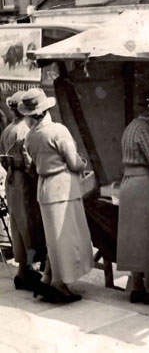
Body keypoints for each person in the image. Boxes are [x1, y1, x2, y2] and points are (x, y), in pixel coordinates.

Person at [20, 87, 93, 303]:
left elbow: (32, 167)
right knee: (66, 238)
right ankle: (60, 285)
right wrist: (83, 163)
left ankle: (48, 277)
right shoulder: (58, 131)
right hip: (63, 187)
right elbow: (74, 162)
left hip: (45, 188)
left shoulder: (30, 137)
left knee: (54, 239)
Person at [117, 90, 149, 304]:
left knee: (133, 239)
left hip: (129, 184)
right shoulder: (145, 129)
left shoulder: (130, 127)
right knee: (148, 237)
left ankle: (137, 286)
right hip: (144, 185)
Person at [0, 91, 45, 290]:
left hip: (11, 178)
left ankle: (22, 270)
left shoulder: (7, 130)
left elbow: (2, 158)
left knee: (17, 226)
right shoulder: (24, 131)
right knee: (29, 226)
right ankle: (29, 269)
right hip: (24, 180)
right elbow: (29, 161)